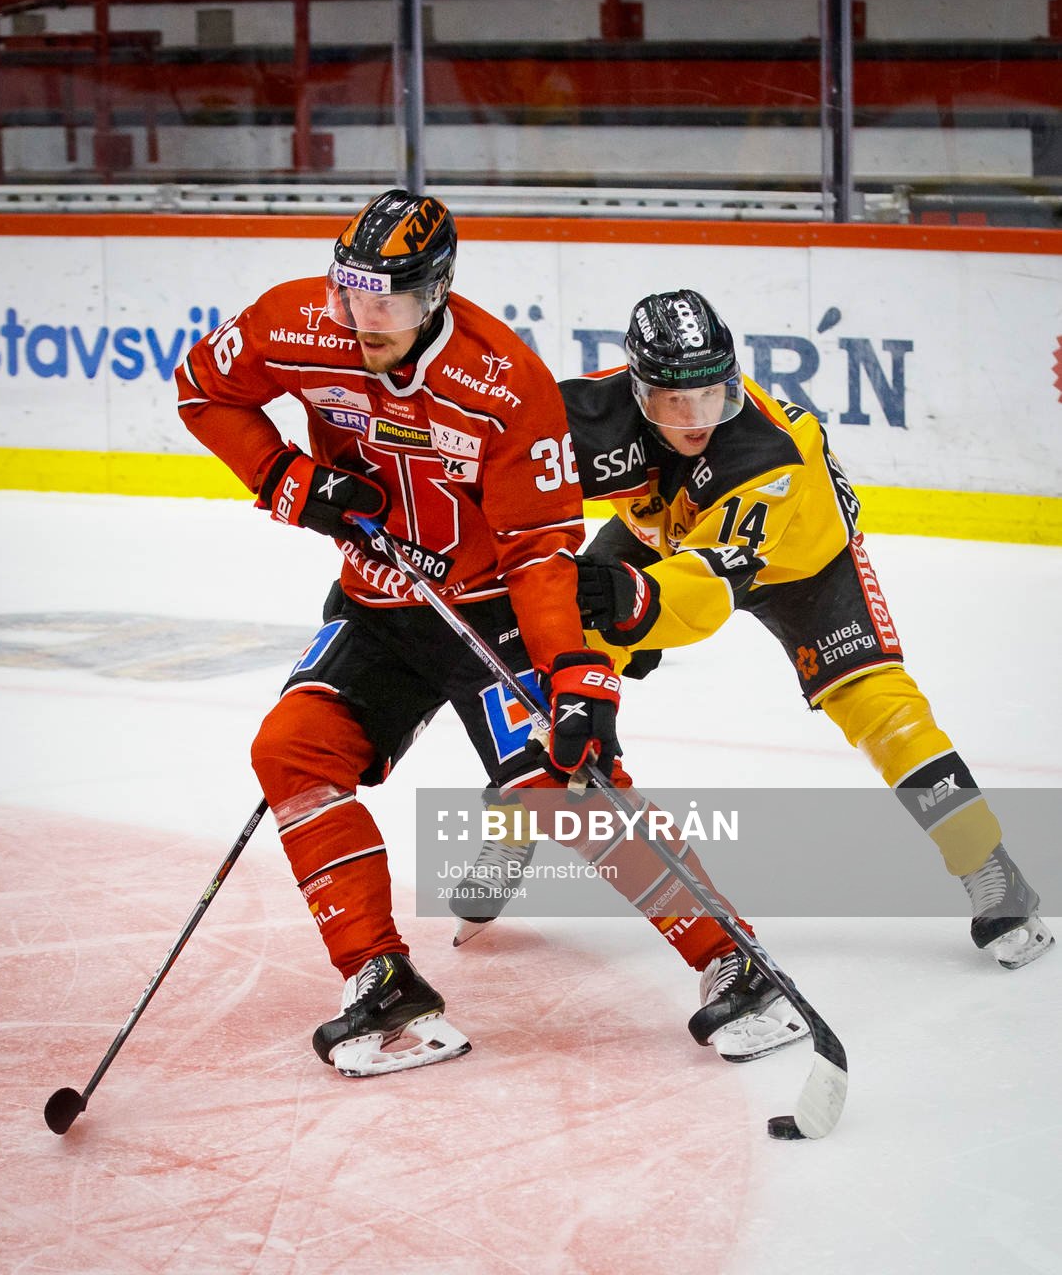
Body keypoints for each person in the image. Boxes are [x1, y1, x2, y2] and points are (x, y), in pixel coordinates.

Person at [176, 194, 783, 1077]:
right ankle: (381, 982)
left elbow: (540, 555)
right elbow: (204, 388)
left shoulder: (507, 383)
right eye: (349, 291)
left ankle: (732, 957)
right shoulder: (297, 317)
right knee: (291, 753)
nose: (357, 317)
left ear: (436, 294)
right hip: (378, 606)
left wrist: (576, 675)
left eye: (382, 301)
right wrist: (286, 477)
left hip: (489, 609)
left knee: (563, 788)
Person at [559, 289, 1054, 1006]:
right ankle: (519, 819)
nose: (697, 421)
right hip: (664, 534)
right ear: (637, 390)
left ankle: (991, 867)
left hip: (802, 558)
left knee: (881, 708)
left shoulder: (769, 455)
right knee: (559, 659)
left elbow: (704, 595)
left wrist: (640, 608)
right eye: (674, 403)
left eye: (712, 397)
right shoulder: (593, 412)